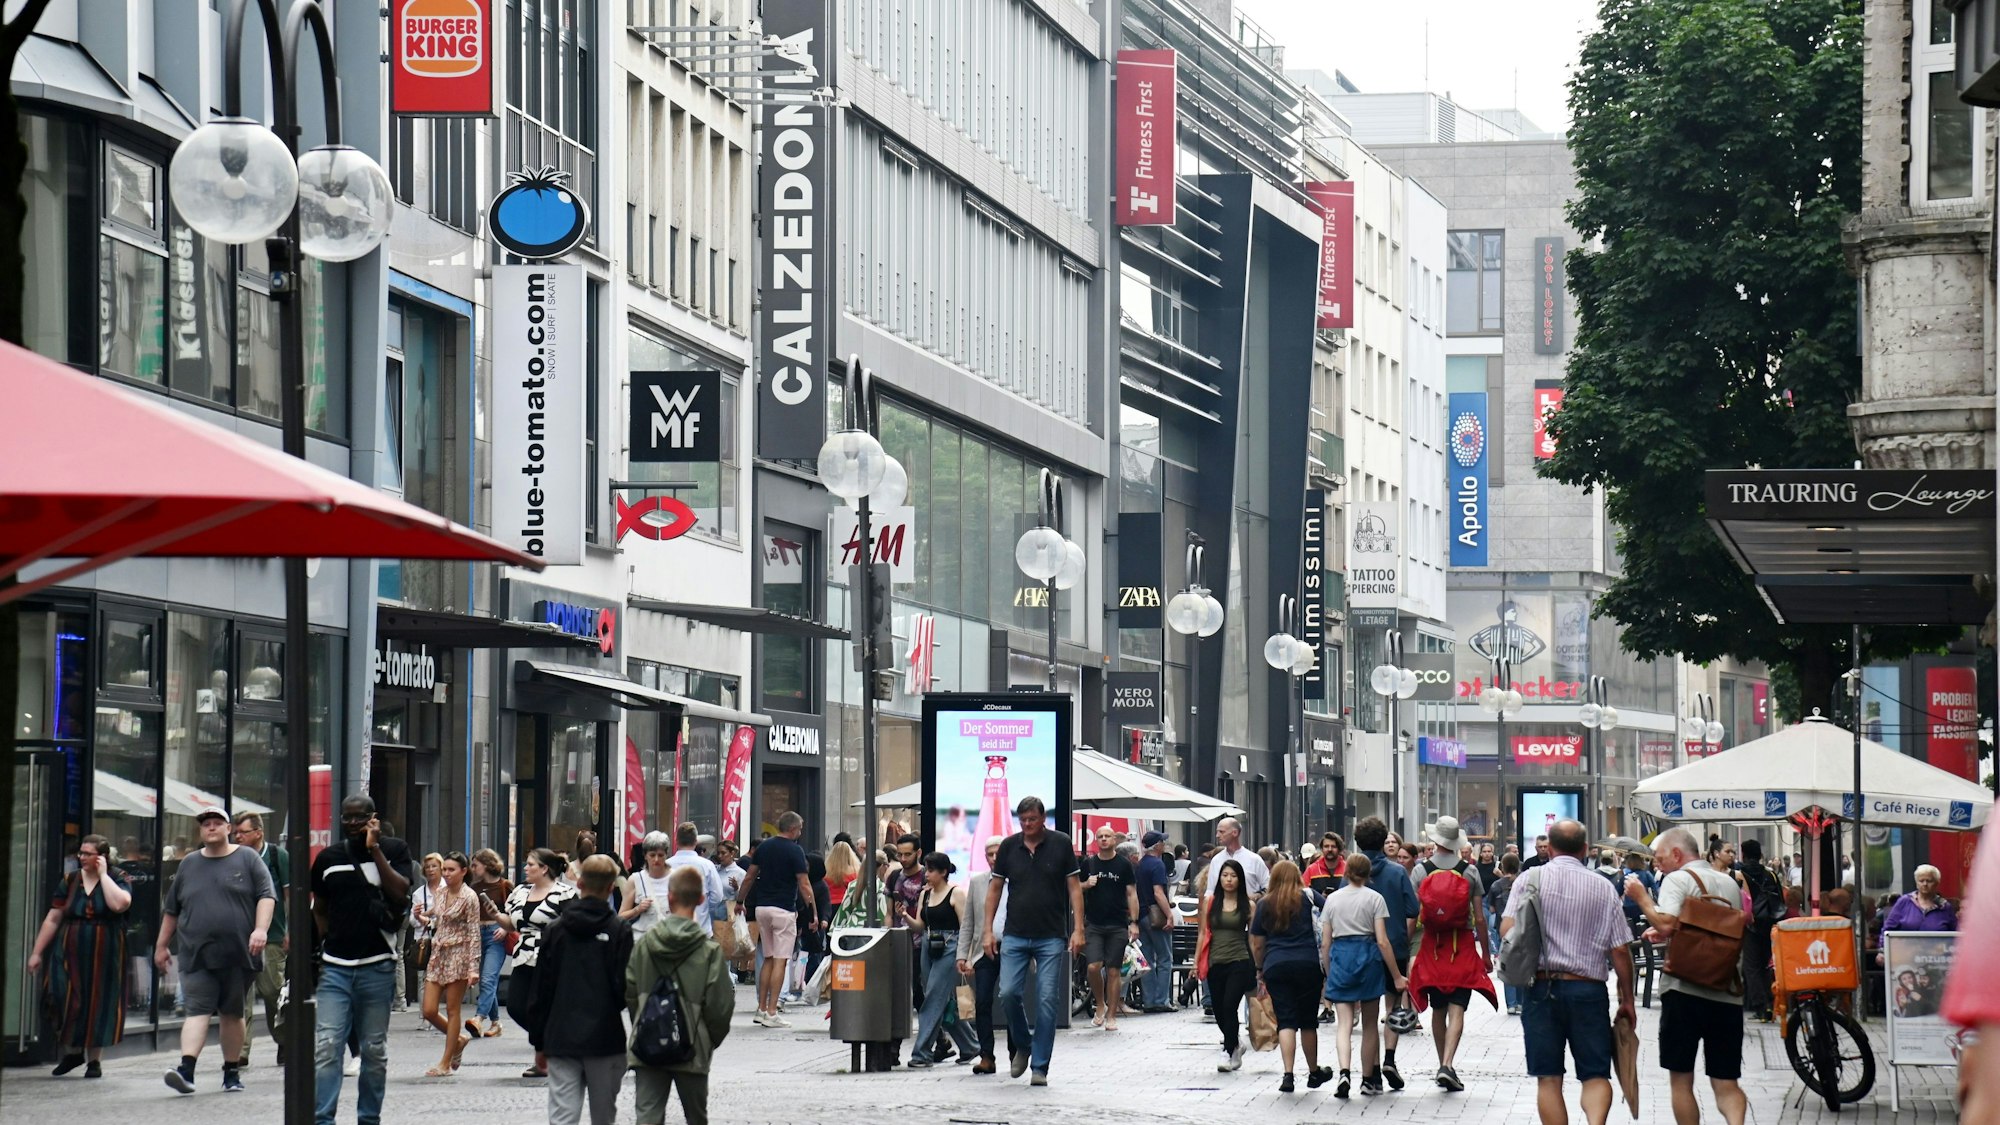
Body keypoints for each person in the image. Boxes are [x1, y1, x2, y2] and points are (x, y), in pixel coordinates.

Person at [1504, 818, 1636, 1125]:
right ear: (1586, 850)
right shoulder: (1603, 887)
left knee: (1548, 1077)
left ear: (1549, 849)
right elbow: (1619, 949)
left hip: (1541, 988)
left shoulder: (1529, 879)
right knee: (1595, 1074)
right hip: (1588, 990)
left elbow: (1508, 928)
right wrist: (1627, 998)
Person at [1625, 826, 1747, 1125]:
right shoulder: (1728, 882)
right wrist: (1671, 929)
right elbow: (1709, 924)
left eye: (1659, 857)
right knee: (1726, 1083)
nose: (1657, 863)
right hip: (1725, 990)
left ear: (1677, 854)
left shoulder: (1677, 879)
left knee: (1681, 1080)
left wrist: (1642, 898)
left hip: (1684, 990)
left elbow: (1665, 922)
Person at [155, 805, 276, 1095]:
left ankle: (231, 1071)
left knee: (232, 1013)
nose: (210, 827)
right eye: (205, 823)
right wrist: (161, 946)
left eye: (216, 823)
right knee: (197, 1010)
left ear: (228, 829)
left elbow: (266, 896)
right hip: (196, 952)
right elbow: (172, 910)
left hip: (237, 952)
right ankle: (186, 1069)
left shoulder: (247, 858)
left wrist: (260, 930)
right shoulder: (188, 864)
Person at [309, 795, 414, 1124]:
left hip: (378, 965)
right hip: (336, 967)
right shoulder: (328, 858)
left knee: (373, 1051)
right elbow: (321, 908)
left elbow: (399, 892)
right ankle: (322, 1119)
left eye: (360, 818)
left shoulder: (395, 850)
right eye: (347, 818)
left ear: (374, 818)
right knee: (326, 1046)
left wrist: (375, 849)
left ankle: (369, 1119)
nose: (353, 824)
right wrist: (326, 942)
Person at [984, 795, 1084, 1087]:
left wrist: (1079, 928)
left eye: (1032, 820)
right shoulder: (1008, 847)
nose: (1027, 825)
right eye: (1023, 820)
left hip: (1051, 934)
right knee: (1008, 993)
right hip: (1015, 933)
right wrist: (987, 931)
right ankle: (1023, 1044)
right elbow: (994, 890)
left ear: (1043, 819)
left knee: (1046, 1000)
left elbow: (1075, 889)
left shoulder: (1060, 843)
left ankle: (1040, 1065)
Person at [531, 854, 633, 1125]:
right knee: (603, 1115)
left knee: (563, 1115)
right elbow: (625, 987)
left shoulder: (555, 930)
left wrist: (539, 1042)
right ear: (611, 888)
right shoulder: (619, 930)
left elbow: (542, 988)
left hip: (561, 1035)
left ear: (580, 883)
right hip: (605, 1036)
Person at [627, 865, 733, 1125]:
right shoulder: (708, 951)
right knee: (696, 1117)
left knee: (647, 1117)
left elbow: (630, 990)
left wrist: (644, 1022)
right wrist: (708, 1040)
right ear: (700, 899)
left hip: (648, 1043)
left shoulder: (644, 946)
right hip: (693, 1044)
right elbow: (720, 1007)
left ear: (670, 898)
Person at [28, 834, 131, 1077]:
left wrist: (104, 876)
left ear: (102, 856)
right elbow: (54, 917)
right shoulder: (70, 880)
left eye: (87, 853)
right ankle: (73, 1052)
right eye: (81, 853)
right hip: (70, 944)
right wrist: (37, 952)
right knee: (61, 993)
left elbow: (120, 905)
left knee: (100, 1001)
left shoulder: (119, 877)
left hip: (105, 948)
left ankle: (94, 1061)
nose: (81, 857)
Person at [1405, 816, 1495, 1092]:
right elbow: (1480, 918)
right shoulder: (1469, 871)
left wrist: (1404, 948)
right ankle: (1448, 1064)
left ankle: (1441, 1064)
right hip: (1462, 945)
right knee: (1458, 1007)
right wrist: (1487, 954)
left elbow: (1412, 915)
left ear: (1435, 841)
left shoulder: (1421, 871)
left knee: (1438, 1007)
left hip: (1432, 946)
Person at [1319, 853, 1405, 1098]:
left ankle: (1344, 1072)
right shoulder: (1375, 898)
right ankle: (1368, 1079)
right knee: (1369, 1024)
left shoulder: (1333, 900)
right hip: (1368, 956)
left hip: (1341, 956)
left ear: (1346, 872)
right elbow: (1382, 941)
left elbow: (1325, 943)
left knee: (1344, 1024)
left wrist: (1328, 971)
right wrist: (1397, 975)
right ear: (1369, 874)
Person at [498, 847, 578, 1078]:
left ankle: (543, 1056)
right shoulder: (520, 892)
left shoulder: (564, 893)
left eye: (530, 864)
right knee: (516, 1006)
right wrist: (496, 916)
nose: (525, 868)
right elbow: (511, 923)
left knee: (545, 1006)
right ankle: (550, 1044)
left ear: (544, 869)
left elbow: (573, 925)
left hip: (552, 956)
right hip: (523, 954)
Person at [1353, 816, 1420, 1089]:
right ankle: (1390, 1058)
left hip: (1362, 948)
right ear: (1384, 842)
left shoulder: (1353, 872)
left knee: (1370, 1014)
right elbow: (1413, 909)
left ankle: (1371, 1074)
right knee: (1392, 1007)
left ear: (1357, 842)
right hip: (1395, 946)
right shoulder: (1396, 872)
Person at [1252, 860, 1328, 1093]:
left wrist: (1259, 967)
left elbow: (1257, 943)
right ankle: (1314, 1071)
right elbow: (1329, 916)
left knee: (1286, 1020)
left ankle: (1288, 1075)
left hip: (1276, 965)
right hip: (1308, 964)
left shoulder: (1265, 903)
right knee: (1307, 1021)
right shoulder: (1309, 897)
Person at [419, 852, 494, 1077]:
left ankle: (445, 1061)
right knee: (429, 1009)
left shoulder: (469, 897)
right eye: (445, 870)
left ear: (463, 872)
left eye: (452, 870)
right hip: (439, 954)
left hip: (459, 955)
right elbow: (438, 917)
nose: (447, 874)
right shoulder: (440, 893)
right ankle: (459, 1040)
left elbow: (474, 932)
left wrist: (473, 966)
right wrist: (424, 916)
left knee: (453, 1010)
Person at [741, 810, 818, 1027]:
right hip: (783, 909)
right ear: (793, 829)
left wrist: (740, 900)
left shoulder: (764, 846)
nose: (800, 833)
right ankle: (773, 1011)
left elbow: (749, 876)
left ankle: (761, 1008)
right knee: (780, 961)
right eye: (800, 829)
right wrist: (813, 911)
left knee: (767, 957)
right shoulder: (795, 851)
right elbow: (804, 884)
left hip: (762, 909)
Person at [905, 852, 980, 1066]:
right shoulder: (925, 895)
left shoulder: (956, 893)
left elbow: (966, 927)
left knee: (933, 998)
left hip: (950, 946)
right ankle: (970, 1046)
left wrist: (966, 955)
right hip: (929, 946)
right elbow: (920, 926)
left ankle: (922, 1053)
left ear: (943, 872)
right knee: (941, 999)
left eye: (930, 870)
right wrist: (905, 917)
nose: (926, 874)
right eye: (926, 870)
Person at [229, 811, 289, 1068]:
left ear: (258, 833)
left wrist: (291, 930)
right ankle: (241, 1050)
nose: (237, 836)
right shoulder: (231, 856)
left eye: (243, 832)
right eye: (236, 832)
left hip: (272, 935)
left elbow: (290, 894)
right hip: (238, 935)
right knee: (241, 995)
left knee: (271, 991)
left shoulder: (277, 856)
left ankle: (283, 1039)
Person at [1200, 859, 1256, 1074]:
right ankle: (1236, 1044)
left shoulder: (1248, 905)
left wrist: (1257, 966)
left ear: (1239, 879)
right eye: (1225, 875)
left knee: (1229, 1005)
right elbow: (1203, 934)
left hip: (1239, 960)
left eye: (1233, 876)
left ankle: (1227, 1050)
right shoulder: (1211, 902)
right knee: (1219, 1008)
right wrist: (1197, 962)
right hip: (1215, 961)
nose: (1229, 880)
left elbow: (1253, 939)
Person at [1079, 825, 1138, 1030]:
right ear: (1096, 840)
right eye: (1100, 836)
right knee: (1093, 967)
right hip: (1094, 923)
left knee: (1113, 971)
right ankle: (1100, 1004)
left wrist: (1134, 922)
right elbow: (1075, 888)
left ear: (1114, 840)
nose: (1103, 839)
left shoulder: (1123, 864)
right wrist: (1086, 884)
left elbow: (1131, 893)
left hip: (1117, 924)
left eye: (1107, 836)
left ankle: (1112, 1015)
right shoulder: (1089, 863)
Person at [957, 836, 1006, 1073]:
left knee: (1011, 998)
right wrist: (962, 955)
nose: (994, 858)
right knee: (983, 1001)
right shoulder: (977, 882)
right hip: (982, 951)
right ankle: (987, 1055)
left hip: (1011, 949)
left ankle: (1017, 1050)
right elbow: (968, 921)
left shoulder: (1016, 880)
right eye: (990, 854)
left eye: (998, 853)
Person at [466, 849, 514, 1039]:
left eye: (475, 864)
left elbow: (514, 911)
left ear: (486, 865)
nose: (473, 868)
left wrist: (505, 928)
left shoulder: (505, 886)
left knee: (487, 978)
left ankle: (479, 1018)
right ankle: (496, 1023)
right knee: (488, 980)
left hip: (496, 935)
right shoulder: (474, 888)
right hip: (477, 934)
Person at [1737, 840, 1784, 1022]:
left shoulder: (1740, 874)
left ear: (1744, 854)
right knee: (1766, 964)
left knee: (1751, 966)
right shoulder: (1770, 874)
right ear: (1760, 854)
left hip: (1750, 925)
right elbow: (1780, 900)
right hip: (1769, 925)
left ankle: (1760, 1007)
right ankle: (1770, 1003)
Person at [1877, 864, 1959, 957]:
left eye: (1929, 881)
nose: (1925, 884)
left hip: (1936, 959)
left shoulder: (1944, 907)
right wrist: (1882, 951)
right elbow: (1888, 929)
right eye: (1921, 881)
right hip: (1906, 958)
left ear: (1937, 883)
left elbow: (1956, 934)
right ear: (1916, 883)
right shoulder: (1904, 902)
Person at [1135, 830, 1176, 1013]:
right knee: (1165, 958)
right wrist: (1169, 914)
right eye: (1162, 842)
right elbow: (1158, 892)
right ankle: (1162, 1000)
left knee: (1148, 959)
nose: (1164, 845)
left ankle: (1149, 1000)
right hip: (1155, 915)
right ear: (1157, 845)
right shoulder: (1157, 865)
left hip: (1141, 914)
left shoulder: (1140, 864)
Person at [1486, 854, 1524, 1014]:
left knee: (1507, 967)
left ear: (1502, 866)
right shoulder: (1523, 883)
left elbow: (1492, 908)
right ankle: (1522, 1002)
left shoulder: (1496, 885)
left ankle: (1511, 1003)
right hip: (1522, 929)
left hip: (1504, 930)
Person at [406, 853, 443, 1011]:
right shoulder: (418, 894)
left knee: (445, 979)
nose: (430, 870)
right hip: (426, 941)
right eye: (427, 867)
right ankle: (425, 1016)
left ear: (441, 868)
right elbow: (412, 922)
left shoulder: (449, 890)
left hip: (445, 939)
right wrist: (416, 916)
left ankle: (440, 1013)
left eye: (434, 866)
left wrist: (429, 919)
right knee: (424, 979)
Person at [1202, 817, 1271, 899]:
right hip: (1221, 909)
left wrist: (1255, 897)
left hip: (1248, 909)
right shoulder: (1216, 860)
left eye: (1221, 832)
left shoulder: (1254, 859)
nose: (1217, 835)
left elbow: (1268, 887)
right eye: (1217, 832)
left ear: (1235, 833)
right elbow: (1210, 891)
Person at [623, 832, 675, 937]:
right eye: (652, 855)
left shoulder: (676, 877)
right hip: (642, 941)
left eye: (660, 855)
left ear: (666, 855)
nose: (656, 859)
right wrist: (637, 910)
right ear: (645, 856)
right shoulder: (635, 879)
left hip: (669, 940)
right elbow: (621, 916)